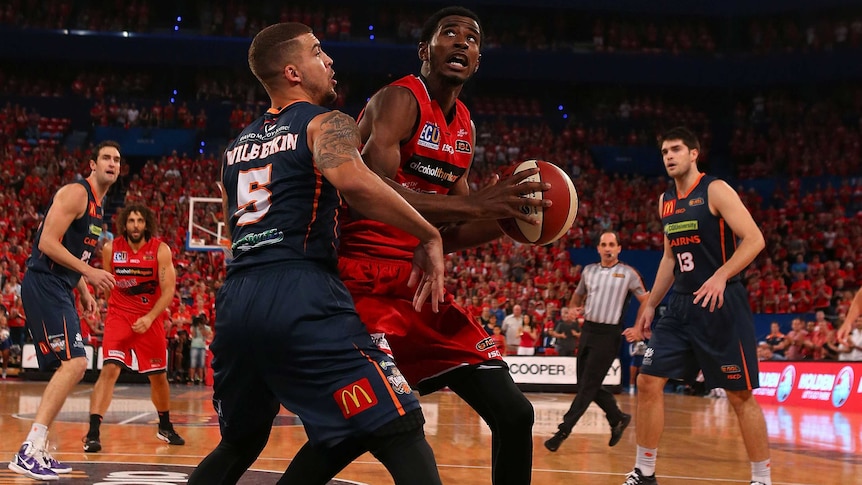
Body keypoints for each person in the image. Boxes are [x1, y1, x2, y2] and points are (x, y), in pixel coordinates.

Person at [284, 7, 541, 485]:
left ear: (479, 59)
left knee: (513, 412)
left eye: (472, 38)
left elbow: (454, 230)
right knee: (355, 430)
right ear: (425, 51)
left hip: (417, 288)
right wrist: (483, 204)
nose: (461, 43)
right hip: (361, 285)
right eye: (450, 34)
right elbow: (369, 195)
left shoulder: (464, 126)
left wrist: (512, 219)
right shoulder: (399, 100)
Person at [188, 22, 446, 485]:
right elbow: (355, 184)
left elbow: (235, 228)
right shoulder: (327, 123)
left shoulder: (234, 150)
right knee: (401, 423)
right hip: (300, 290)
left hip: (236, 300)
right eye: (317, 52)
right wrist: (428, 233)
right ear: (293, 72)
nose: (329, 61)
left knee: (241, 442)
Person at [621, 127, 772, 485]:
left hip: (721, 304)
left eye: (676, 149)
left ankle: (762, 479)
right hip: (680, 307)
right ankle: (644, 472)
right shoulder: (665, 201)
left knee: (740, 395)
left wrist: (721, 274)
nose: (669, 156)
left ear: (694, 153)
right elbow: (669, 259)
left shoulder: (715, 190)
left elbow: (754, 240)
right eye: (664, 152)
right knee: (647, 381)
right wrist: (649, 304)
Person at [8, 141, 120, 481]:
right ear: (92, 163)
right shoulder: (76, 193)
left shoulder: (100, 207)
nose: (112, 163)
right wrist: (88, 274)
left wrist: (82, 289)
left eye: (117, 160)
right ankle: (30, 449)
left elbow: (76, 251)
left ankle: (37, 447)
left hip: (61, 287)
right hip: (44, 283)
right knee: (75, 363)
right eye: (106, 158)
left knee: (74, 364)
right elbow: (46, 243)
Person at [83, 204, 185, 453]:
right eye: (131, 221)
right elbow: (107, 283)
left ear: (146, 223)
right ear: (124, 224)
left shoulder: (161, 250)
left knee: (159, 377)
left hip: (149, 319)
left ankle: (164, 426)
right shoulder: (111, 248)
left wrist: (150, 317)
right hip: (119, 317)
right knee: (109, 370)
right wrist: (111, 307)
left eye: (140, 221)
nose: (136, 225)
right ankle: (93, 432)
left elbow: (169, 290)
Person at [544, 231, 648, 452]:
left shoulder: (628, 273)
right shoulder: (589, 271)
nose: (608, 248)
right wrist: (573, 310)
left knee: (587, 386)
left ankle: (563, 430)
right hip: (588, 331)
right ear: (598, 248)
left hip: (609, 334)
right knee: (585, 385)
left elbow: (646, 300)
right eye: (603, 244)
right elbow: (577, 295)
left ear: (619, 248)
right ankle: (617, 417)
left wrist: (638, 327)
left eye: (612, 244)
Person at [188, 314, 212, 385]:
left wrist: (202, 328)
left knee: (201, 364)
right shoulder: (193, 327)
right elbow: (194, 336)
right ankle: (192, 379)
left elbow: (205, 335)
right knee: (193, 363)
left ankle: (201, 379)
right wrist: (195, 327)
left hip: (202, 347)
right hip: (194, 346)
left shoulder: (207, 328)